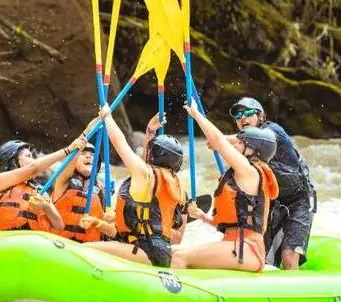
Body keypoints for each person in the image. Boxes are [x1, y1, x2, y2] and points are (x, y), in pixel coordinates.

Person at [173, 102, 279, 272]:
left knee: (180, 256)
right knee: (173, 252)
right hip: (235, 245)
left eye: (240, 143)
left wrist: (196, 115)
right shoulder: (245, 172)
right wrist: (201, 216)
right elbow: (230, 225)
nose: (235, 145)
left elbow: (218, 141)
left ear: (253, 150)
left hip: (247, 249)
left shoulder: (250, 172)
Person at [84, 109, 187, 267]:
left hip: (146, 250)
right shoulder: (173, 184)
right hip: (158, 250)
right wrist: (149, 132)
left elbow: (120, 143)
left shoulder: (145, 175)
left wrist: (108, 117)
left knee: (85, 250)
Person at [228, 97, 317, 269]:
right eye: (238, 115)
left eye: (248, 113)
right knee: (262, 257)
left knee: (288, 256)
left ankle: (294, 292)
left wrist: (220, 140)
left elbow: (261, 138)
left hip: (299, 201)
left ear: (260, 116)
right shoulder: (243, 151)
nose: (243, 118)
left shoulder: (272, 130)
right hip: (273, 204)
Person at [0, 137, 85, 232]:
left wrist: (46, 207)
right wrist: (67, 150)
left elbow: (59, 225)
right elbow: (33, 168)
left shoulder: (39, 191)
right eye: (28, 156)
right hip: (4, 241)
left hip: (32, 245)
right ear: (13, 162)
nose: (33, 160)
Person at [45, 141, 109, 242]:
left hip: (87, 249)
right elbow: (69, 163)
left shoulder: (102, 191)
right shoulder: (63, 182)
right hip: (59, 244)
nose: (88, 157)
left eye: (92, 155)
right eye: (83, 154)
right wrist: (77, 149)